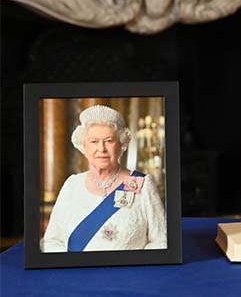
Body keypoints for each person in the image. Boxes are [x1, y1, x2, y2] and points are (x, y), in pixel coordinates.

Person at [41, 105, 167, 252]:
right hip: (77, 273)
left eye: (109, 141)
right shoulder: (72, 185)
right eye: (94, 141)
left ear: (121, 145)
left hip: (127, 273)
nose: (101, 149)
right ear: (84, 147)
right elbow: (51, 241)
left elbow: (161, 241)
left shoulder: (142, 185)